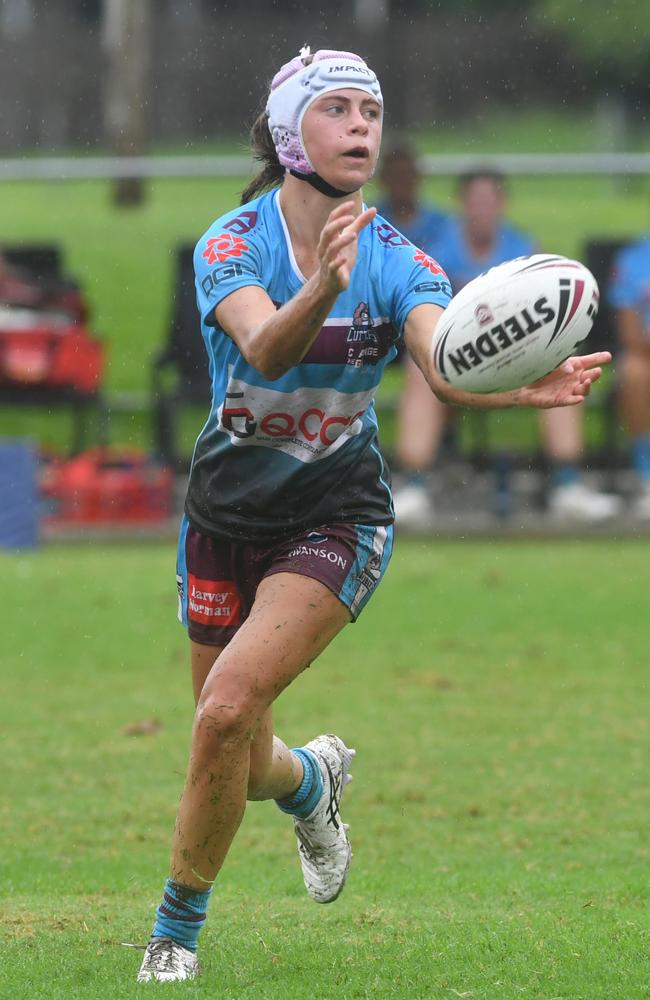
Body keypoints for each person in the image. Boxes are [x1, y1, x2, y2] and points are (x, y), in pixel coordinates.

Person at [136, 47, 611, 983]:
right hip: (223, 511)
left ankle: (172, 939)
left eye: (372, 111)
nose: (363, 126)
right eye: (340, 109)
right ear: (289, 134)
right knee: (228, 734)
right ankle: (311, 780)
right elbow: (264, 352)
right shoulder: (230, 244)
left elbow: (443, 360)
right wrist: (320, 285)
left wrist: (514, 383)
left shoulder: (396, 259)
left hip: (337, 516)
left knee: (227, 710)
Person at [392, 169, 622, 527]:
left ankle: (567, 486)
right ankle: (414, 487)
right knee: (419, 368)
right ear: (462, 204)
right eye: (475, 200)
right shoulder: (436, 249)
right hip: (457, 355)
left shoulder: (523, 249)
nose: (482, 208)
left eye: (489, 199)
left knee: (561, 365)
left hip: (515, 352)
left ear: (502, 203)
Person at [609, 233, 650, 516]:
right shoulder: (634, 260)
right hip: (645, 354)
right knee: (632, 371)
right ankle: (646, 474)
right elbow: (629, 334)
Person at [376, 143, 448, 254]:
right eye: (395, 176)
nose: (401, 182)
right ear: (383, 179)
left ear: (418, 177)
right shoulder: (371, 221)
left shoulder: (441, 225)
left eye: (406, 174)